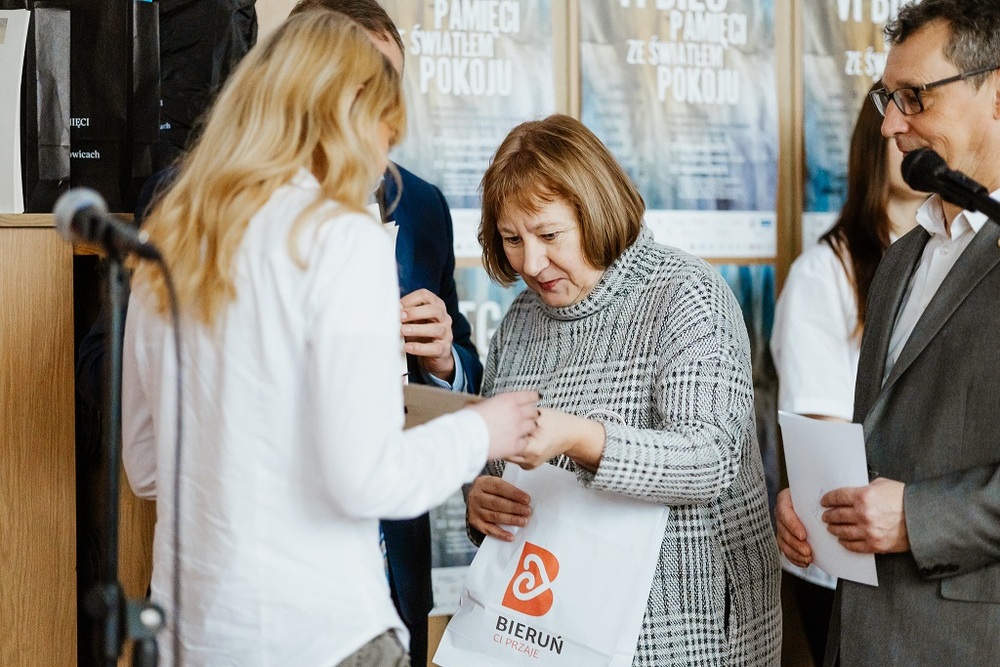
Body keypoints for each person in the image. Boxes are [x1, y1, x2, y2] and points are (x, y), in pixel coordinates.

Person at [121, 11, 539, 666]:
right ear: (347, 113)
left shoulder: (170, 235)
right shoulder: (341, 236)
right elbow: (366, 479)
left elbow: (147, 466)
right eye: (383, 131)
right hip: (321, 635)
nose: (382, 162)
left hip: (191, 638)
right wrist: (482, 431)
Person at [465, 114, 782, 665]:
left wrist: (579, 438)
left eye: (549, 235)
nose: (531, 263)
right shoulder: (519, 321)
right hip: (553, 631)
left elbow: (710, 461)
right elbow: (501, 468)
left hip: (683, 631)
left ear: (596, 211)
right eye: (512, 240)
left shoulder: (685, 293)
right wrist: (482, 501)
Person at [776, 1, 1000, 664]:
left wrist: (920, 518)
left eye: (915, 97)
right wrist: (817, 502)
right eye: (887, 98)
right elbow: (880, 445)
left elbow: (914, 505)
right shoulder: (902, 258)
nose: (890, 125)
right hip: (863, 633)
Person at [770, 83, 925, 664]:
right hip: (848, 559)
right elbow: (825, 440)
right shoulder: (824, 273)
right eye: (900, 113)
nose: (914, 133)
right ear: (875, 138)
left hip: (929, 547)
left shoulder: (958, 255)